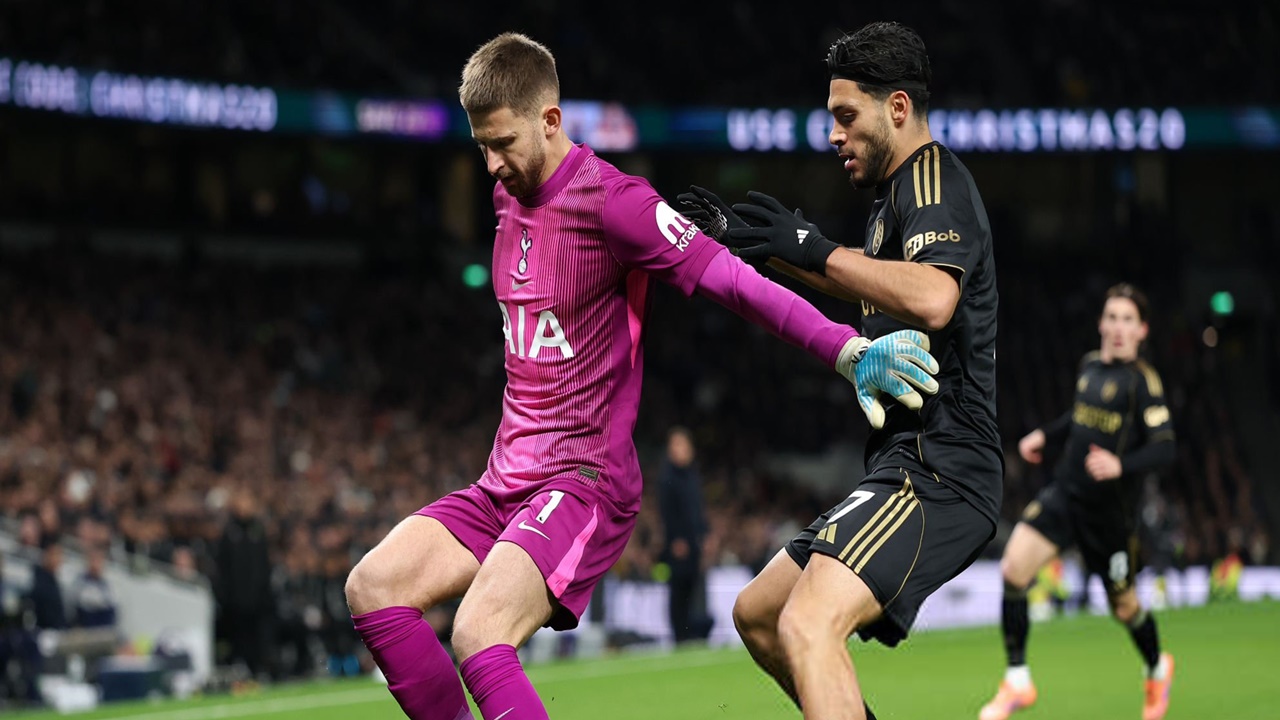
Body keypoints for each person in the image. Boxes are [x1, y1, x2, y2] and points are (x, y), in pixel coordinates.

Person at [342, 32, 940, 720]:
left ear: (551, 120)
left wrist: (846, 349)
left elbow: (735, 282)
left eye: (503, 143)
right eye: (481, 146)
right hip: (503, 481)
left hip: (582, 481)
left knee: (479, 634)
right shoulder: (509, 196)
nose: (492, 164)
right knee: (373, 586)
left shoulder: (614, 202)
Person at [681, 21, 1001, 720]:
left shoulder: (933, 177)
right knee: (761, 614)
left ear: (897, 108)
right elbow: (869, 282)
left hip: (942, 469)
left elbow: (933, 297)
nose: (834, 134)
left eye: (846, 116)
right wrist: (768, 249)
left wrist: (813, 246)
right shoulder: (894, 199)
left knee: (806, 622)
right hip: (903, 462)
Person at [978, 283, 1176, 720]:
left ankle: (1157, 668)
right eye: (1113, 318)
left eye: (1128, 320)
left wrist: (1121, 465)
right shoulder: (1089, 366)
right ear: (1101, 323)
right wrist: (1045, 435)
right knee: (1013, 570)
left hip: (1110, 517)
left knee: (1125, 609)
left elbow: (1165, 447)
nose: (1119, 328)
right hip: (1066, 496)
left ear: (1141, 330)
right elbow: (1079, 419)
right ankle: (1018, 680)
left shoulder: (1142, 383)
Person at [658, 426, 710, 644]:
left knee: (692, 586)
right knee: (678, 588)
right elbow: (667, 513)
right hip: (678, 544)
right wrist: (676, 539)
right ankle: (679, 634)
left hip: (695, 542)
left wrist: (705, 534)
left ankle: (691, 632)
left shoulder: (692, 476)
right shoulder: (667, 478)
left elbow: (698, 510)